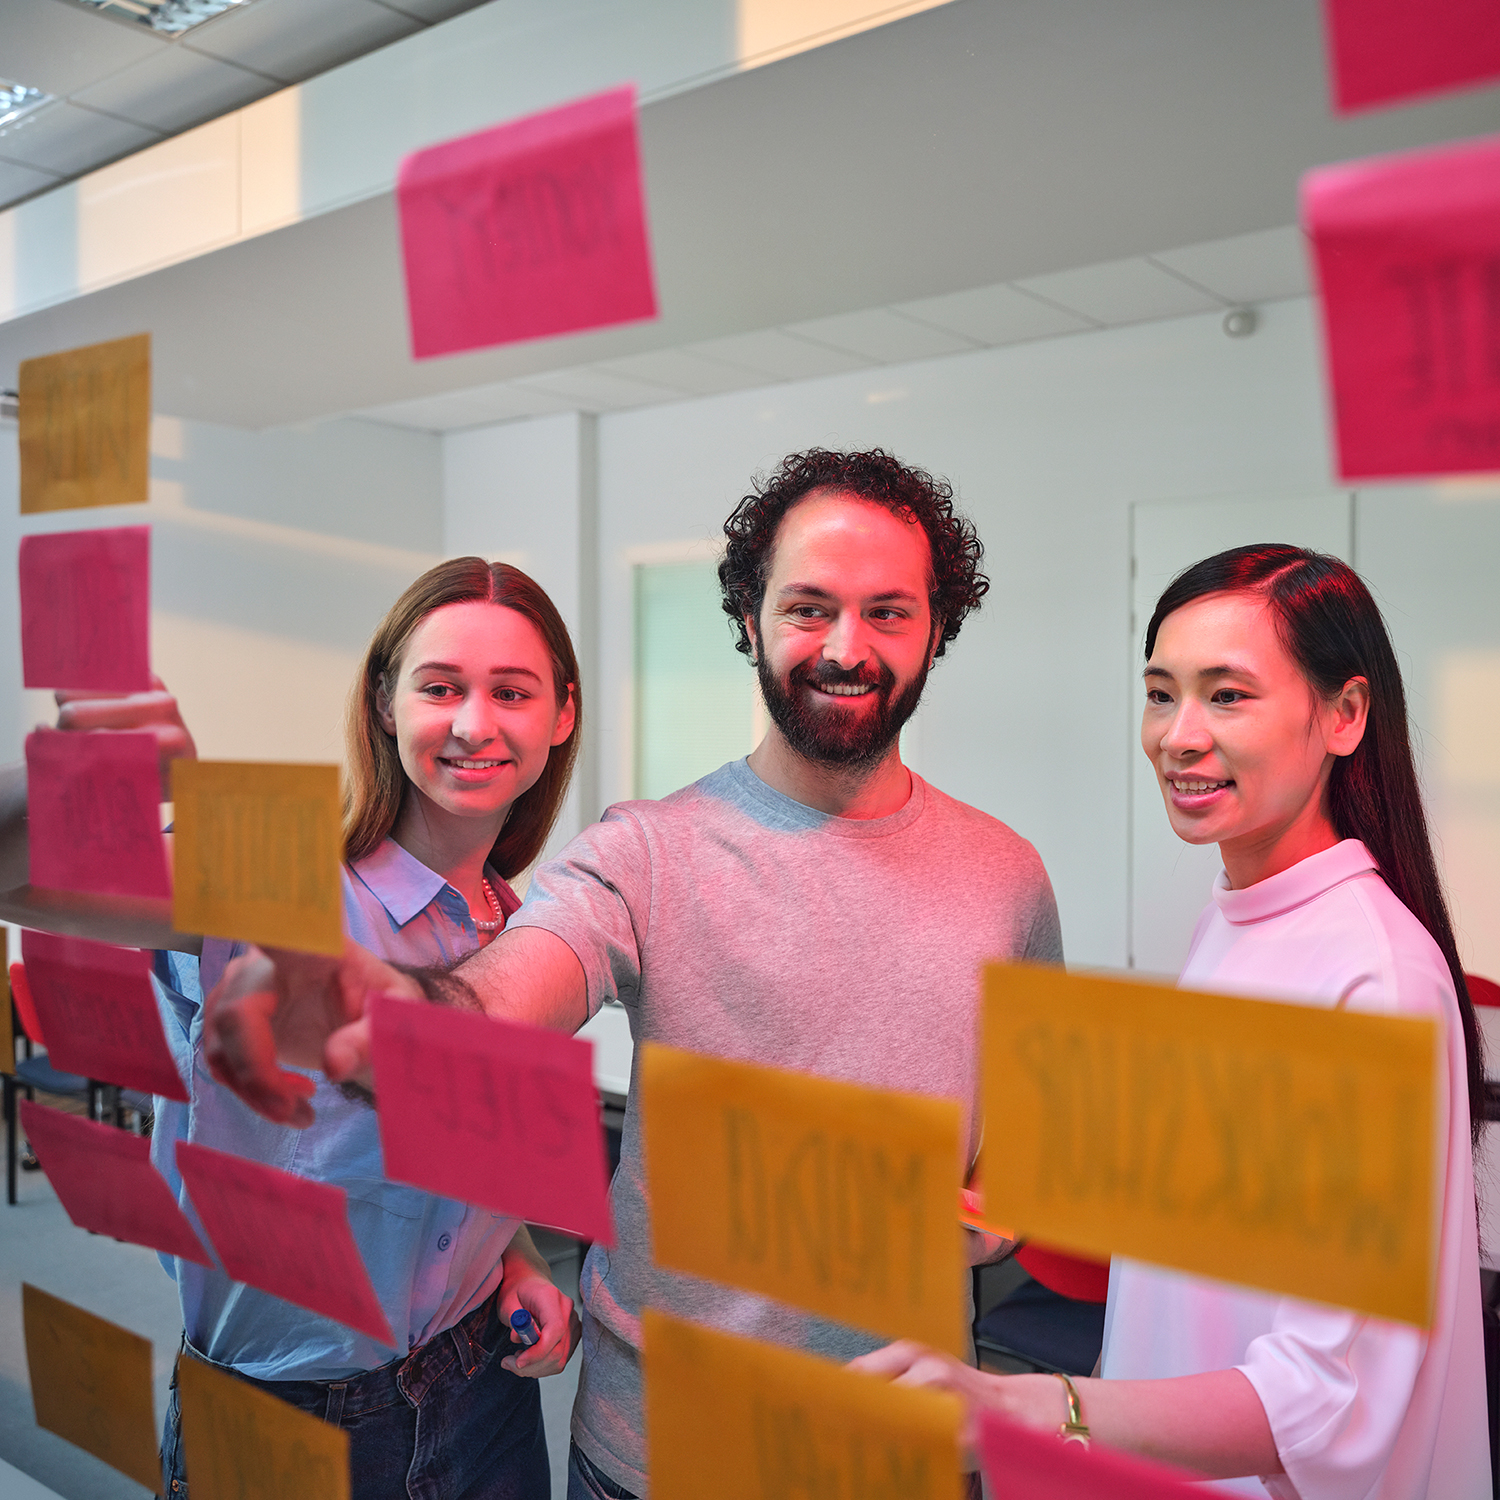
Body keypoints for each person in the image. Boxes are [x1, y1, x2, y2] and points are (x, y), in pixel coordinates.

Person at [201, 448, 1066, 1500]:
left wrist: (1007, 1203)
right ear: (748, 618)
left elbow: (1026, 1138)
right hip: (658, 1454)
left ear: (938, 628)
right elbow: (509, 989)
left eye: (888, 612)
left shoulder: (1007, 878)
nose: (847, 647)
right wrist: (406, 1019)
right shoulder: (646, 852)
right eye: (808, 607)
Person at [851, 544, 1489, 1499]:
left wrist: (1034, 1409)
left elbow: (1325, 1397)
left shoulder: (1373, 977)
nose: (1178, 736)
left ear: (1345, 715)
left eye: (1227, 695)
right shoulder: (1236, 917)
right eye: (1160, 694)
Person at [0, 559, 586, 1500]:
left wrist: (512, 1259)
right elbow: (14, 879)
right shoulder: (277, 873)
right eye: (441, 687)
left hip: (483, 1396)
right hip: (290, 1426)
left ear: (560, 716)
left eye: (510, 692)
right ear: (387, 705)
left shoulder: (526, 932)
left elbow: (470, 1161)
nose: (474, 722)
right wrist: (75, 782)